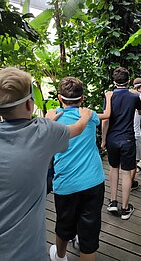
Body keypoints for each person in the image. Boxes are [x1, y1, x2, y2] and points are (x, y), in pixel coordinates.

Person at [0, 67, 92, 261]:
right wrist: (85, 117)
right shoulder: (43, 132)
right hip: (27, 251)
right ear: (28, 105)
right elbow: (77, 128)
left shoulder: (43, 129)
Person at [49, 77, 112, 261]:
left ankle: (60, 256)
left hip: (66, 184)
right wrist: (108, 97)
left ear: (60, 97)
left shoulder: (52, 119)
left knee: (63, 224)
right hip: (93, 181)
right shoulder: (89, 115)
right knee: (89, 232)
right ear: (82, 98)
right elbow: (106, 115)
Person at [101, 67, 141, 220]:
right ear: (129, 81)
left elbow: (105, 119)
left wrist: (104, 139)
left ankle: (113, 202)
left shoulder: (109, 96)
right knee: (126, 173)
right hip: (128, 139)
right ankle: (125, 209)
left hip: (112, 138)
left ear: (114, 81)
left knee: (113, 169)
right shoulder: (134, 97)